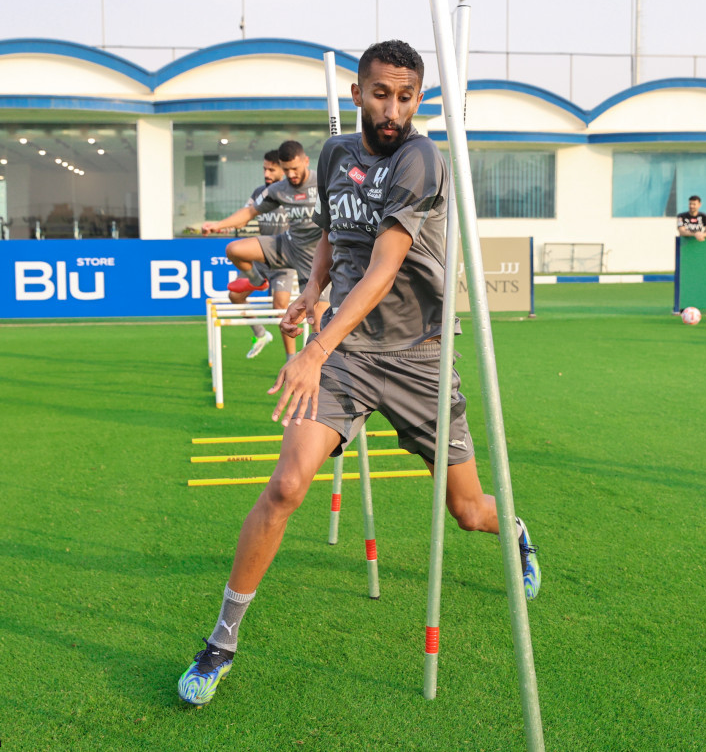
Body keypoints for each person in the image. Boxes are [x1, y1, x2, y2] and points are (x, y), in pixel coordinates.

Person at [178, 39, 541, 708]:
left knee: (468, 511)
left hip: (419, 358)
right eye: (381, 93)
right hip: (346, 353)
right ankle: (221, 642)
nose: (393, 109)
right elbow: (332, 239)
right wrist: (313, 294)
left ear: (419, 99)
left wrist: (314, 347)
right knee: (286, 485)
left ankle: (514, 529)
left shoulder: (420, 157)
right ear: (357, 93)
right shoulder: (333, 154)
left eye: (406, 96)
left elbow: (383, 265)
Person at [203, 140, 329, 336]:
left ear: (306, 161)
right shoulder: (278, 189)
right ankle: (256, 280)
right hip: (288, 244)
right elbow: (249, 212)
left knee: (318, 322)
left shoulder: (324, 182)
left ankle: (319, 363)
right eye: (286, 170)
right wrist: (217, 225)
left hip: (315, 255)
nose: (291, 175)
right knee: (234, 250)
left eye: (295, 169)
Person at [199, 151, 298, 359]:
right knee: (235, 296)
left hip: (285, 261)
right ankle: (261, 334)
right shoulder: (259, 193)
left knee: (280, 306)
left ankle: (291, 358)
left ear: (283, 169)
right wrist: (222, 226)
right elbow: (243, 217)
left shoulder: (292, 193)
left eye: (272, 169)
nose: (267, 173)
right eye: (264, 168)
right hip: (261, 257)